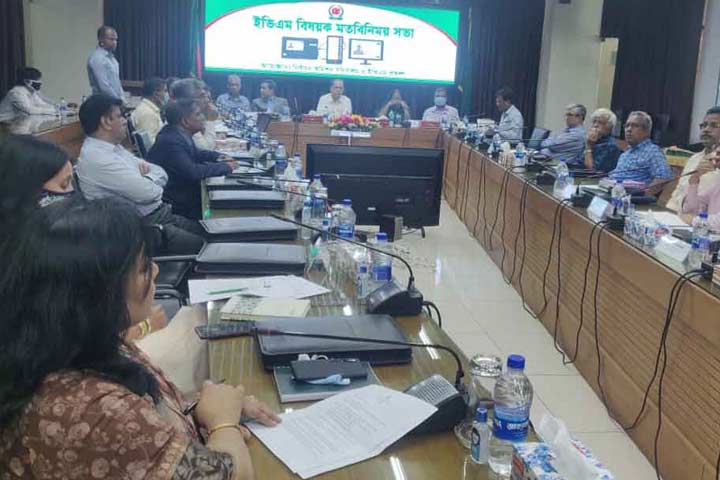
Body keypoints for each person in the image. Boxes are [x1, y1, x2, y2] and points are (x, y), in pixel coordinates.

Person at [0, 196, 280, 479]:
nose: (155, 270)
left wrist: (209, 407)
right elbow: (233, 475)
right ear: (98, 294)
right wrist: (223, 423)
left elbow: (145, 416)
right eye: (144, 268)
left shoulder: (70, 346)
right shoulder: (98, 412)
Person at [77, 94, 205, 254]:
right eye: (120, 116)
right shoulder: (98, 158)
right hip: (145, 230)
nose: (125, 121)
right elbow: (150, 193)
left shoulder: (113, 148)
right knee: (210, 246)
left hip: (161, 216)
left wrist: (145, 178)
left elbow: (161, 173)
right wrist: (146, 178)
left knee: (212, 232)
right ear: (106, 121)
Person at [148, 99, 236, 220]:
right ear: (185, 121)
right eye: (198, 114)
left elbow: (197, 153)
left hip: (184, 195)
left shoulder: (177, 134)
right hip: (178, 205)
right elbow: (193, 172)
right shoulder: (171, 140)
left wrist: (219, 156)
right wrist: (226, 167)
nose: (203, 117)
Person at [666, 106, 720, 212]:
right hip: (676, 215)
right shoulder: (694, 158)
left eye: (714, 125)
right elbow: (678, 192)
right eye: (703, 125)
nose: (706, 130)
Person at [608, 111, 673, 186]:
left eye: (635, 126)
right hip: (611, 188)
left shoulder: (652, 152)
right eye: (627, 126)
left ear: (647, 131)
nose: (629, 129)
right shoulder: (625, 155)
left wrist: (644, 192)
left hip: (631, 192)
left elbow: (664, 178)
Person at [171, 78, 220, 150]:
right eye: (202, 96)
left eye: (206, 96)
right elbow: (206, 148)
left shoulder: (191, 114)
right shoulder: (185, 119)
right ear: (187, 100)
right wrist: (210, 120)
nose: (207, 100)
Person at [681, 146, 720, 229]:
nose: (716, 157)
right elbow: (692, 209)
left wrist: (693, 220)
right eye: (717, 153)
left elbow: (718, 223)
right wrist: (695, 179)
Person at [87, 25, 125, 101]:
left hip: (114, 102)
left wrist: (122, 99)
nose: (114, 42)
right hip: (102, 103)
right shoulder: (97, 58)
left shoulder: (113, 59)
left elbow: (117, 83)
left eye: (116, 39)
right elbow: (104, 86)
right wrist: (118, 101)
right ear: (101, 39)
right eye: (111, 39)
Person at [581, 108, 623, 173]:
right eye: (594, 121)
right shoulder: (592, 140)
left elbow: (592, 171)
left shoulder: (611, 146)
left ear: (609, 127)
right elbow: (579, 162)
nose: (595, 125)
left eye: (600, 122)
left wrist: (588, 146)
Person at [130, 77, 168, 148]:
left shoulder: (147, 109)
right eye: (165, 91)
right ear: (156, 93)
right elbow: (150, 145)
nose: (167, 94)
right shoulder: (148, 113)